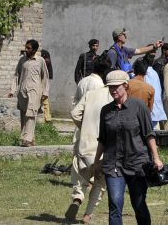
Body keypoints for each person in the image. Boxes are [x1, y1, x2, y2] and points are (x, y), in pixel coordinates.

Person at [95, 70, 164, 225]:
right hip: (113, 164)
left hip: (137, 164)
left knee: (139, 205)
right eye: (110, 87)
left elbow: (149, 134)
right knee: (114, 204)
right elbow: (102, 139)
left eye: (116, 86)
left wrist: (156, 158)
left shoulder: (139, 106)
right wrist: (96, 162)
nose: (112, 90)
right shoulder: (106, 110)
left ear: (125, 86)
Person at [66, 56, 112, 224]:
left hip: (82, 136)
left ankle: (77, 197)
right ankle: (88, 213)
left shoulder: (83, 82)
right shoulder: (106, 91)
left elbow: (75, 111)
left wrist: (82, 126)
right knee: (101, 181)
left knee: (78, 171)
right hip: (101, 141)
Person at [9, 38, 49, 147]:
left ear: (35, 49)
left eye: (28, 48)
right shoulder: (22, 60)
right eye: (26, 47)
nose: (26, 49)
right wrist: (13, 90)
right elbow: (16, 75)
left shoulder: (40, 61)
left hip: (35, 92)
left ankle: (27, 139)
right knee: (23, 114)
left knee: (31, 114)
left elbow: (45, 77)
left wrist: (45, 92)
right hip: (22, 92)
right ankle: (30, 138)